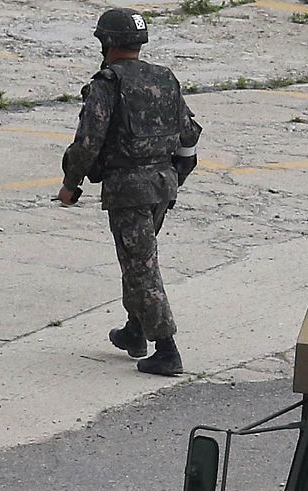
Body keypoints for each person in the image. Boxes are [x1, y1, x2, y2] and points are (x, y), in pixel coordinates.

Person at [58, 7, 202, 378]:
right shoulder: (165, 78)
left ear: (107, 42)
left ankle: (166, 348)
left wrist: (71, 186)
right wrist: (176, 175)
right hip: (162, 186)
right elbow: (188, 134)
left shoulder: (108, 85)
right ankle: (135, 330)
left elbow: (88, 144)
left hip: (128, 191)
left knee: (142, 267)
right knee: (136, 258)